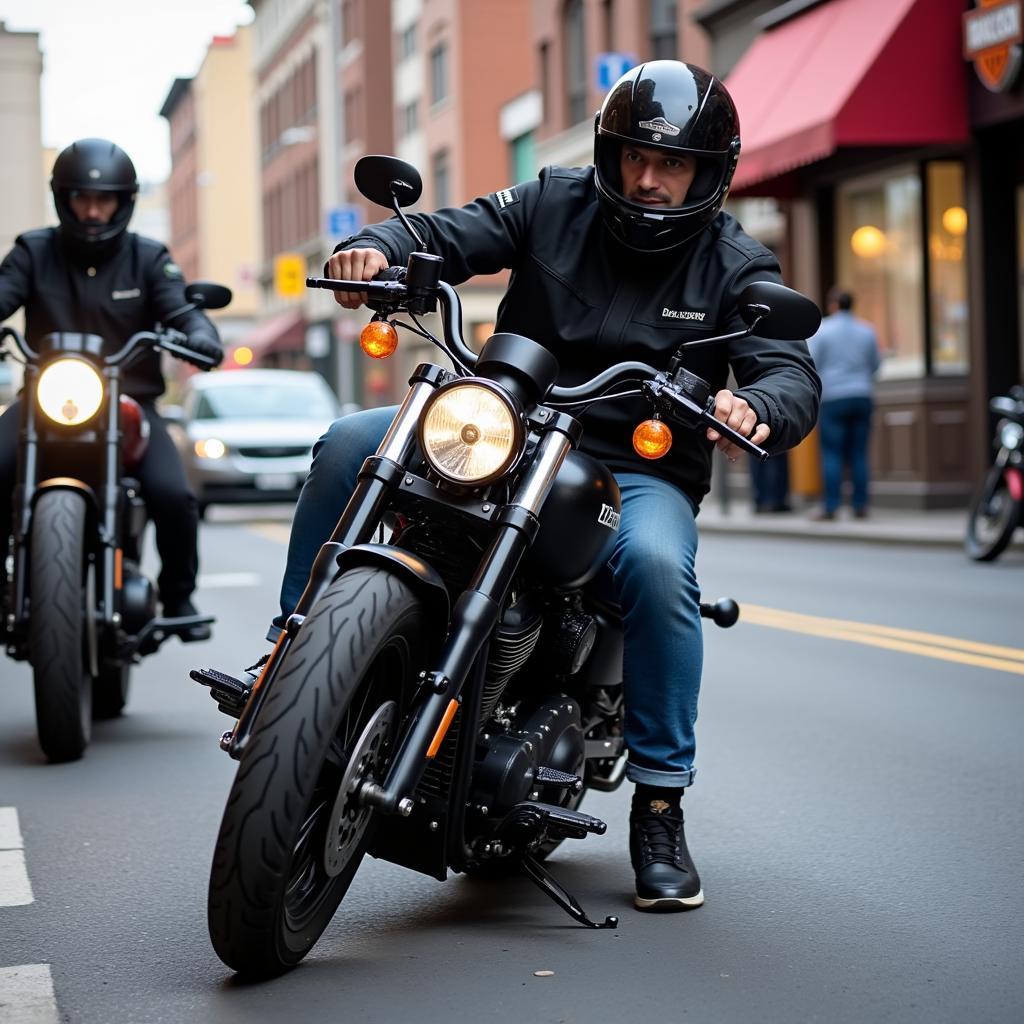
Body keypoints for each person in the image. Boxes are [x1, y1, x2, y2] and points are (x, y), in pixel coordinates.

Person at [274, 61, 821, 911]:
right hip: (507, 427)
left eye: (672, 164)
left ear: (708, 174)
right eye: (636, 155)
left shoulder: (735, 263)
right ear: (609, 153)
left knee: (656, 568)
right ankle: (291, 647)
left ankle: (661, 801)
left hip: (632, 465)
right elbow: (450, 234)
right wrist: (381, 247)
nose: (649, 177)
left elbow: (787, 370)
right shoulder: (551, 201)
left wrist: (754, 403)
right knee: (349, 442)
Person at [0, 137, 223, 640]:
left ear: (125, 202)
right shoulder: (34, 251)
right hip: (42, 401)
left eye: (106, 201)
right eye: (83, 199)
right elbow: (4, 294)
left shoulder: (148, 256)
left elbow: (182, 309)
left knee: (175, 494)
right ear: (64, 199)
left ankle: (179, 593)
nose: (94, 211)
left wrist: (202, 336)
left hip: (130, 403)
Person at [807, 287, 880, 520]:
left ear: (833, 305)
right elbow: (876, 364)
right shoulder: (868, 330)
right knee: (859, 453)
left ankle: (831, 506)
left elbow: (812, 363)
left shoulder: (822, 331)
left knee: (832, 453)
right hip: (862, 395)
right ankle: (860, 505)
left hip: (833, 397)